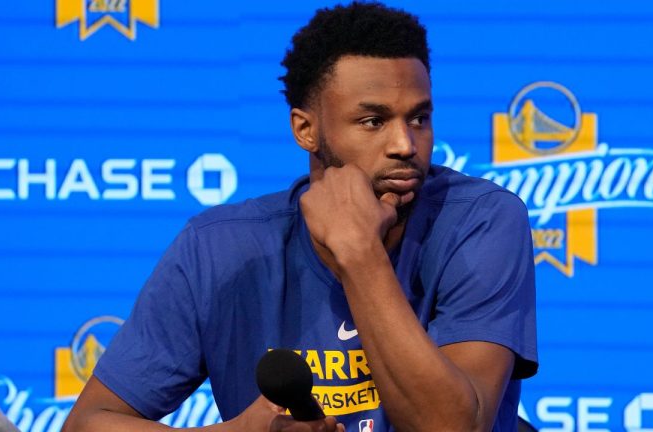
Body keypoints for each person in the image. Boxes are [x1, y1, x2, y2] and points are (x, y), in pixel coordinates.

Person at [62, 2, 538, 431]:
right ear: (306, 129)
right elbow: (88, 423)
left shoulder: (483, 221)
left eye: (419, 118)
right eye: (373, 121)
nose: (405, 145)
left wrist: (358, 252)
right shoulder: (218, 248)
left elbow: (452, 427)